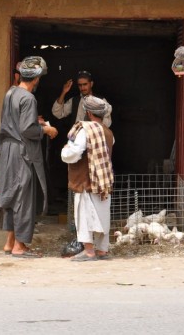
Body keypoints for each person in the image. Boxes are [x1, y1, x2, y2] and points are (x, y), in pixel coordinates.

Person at [0, 56, 58, 258]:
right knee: (24, 197)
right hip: (22, 152)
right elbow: (26, 129)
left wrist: (36, 124)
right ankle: (19, 246)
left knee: (13, 195)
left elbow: (15, 122)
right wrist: (46, 131)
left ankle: (9, 242)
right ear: (36, 78)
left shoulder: (11, 93)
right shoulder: (29, 98)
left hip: (7, 150)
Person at [61, 96, 114, 261]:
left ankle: (89, 251)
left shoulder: (85, 130)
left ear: (88, 112)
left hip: (86, 180)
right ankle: (102, 250)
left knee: (84, 216)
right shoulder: (108, 131)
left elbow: (75, 153)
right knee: (102, 215)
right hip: (103, 183)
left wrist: (65, 151)